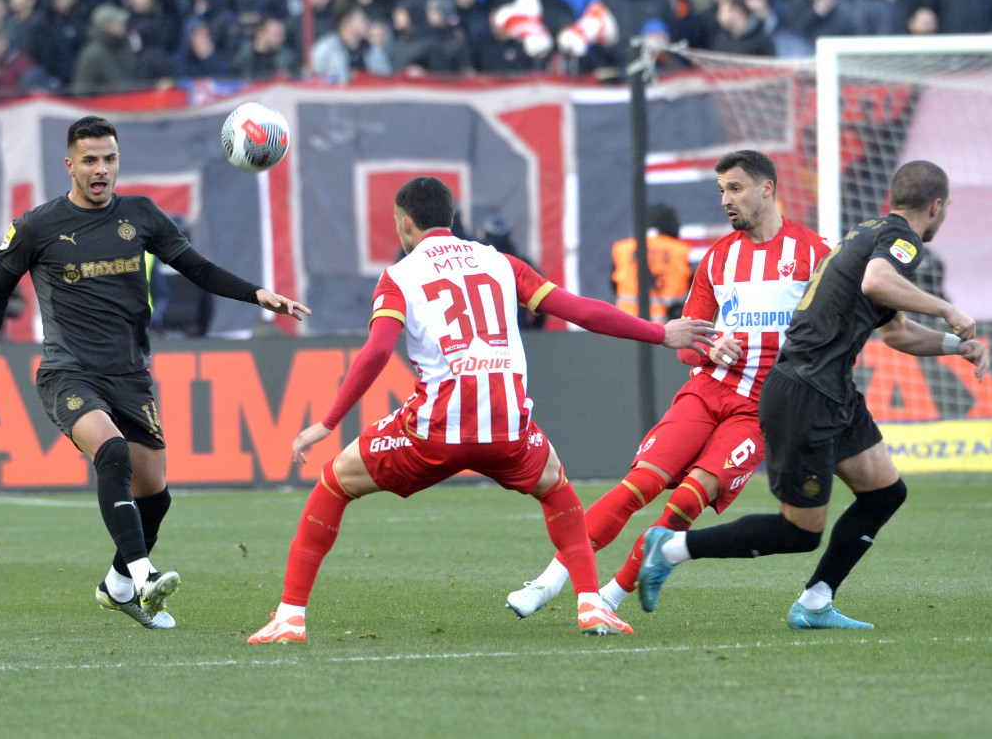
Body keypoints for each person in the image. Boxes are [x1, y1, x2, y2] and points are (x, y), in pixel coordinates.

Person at [246, 175, 717, 643]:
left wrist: (327, 422)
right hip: (508, 428)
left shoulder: (399, 276)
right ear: (451, 218)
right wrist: (661, 332)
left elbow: (376, 352)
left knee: (333, 483)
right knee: (557, 489)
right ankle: (591, 604)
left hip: (434, 430)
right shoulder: (501, 262)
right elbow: (581, 311)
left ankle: (290, 616)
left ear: (404, 224)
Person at [0, 116, 310, 630]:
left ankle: (116, 586)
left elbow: (197, 268)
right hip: (69, 372)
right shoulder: (37, 227)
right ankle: (143, 576)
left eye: (109, 159)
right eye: (90, 160)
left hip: (131, 375)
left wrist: (257, 294)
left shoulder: (141, 214)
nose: (101, 169)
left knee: (155, 495)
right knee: (111, 452)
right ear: (69, 165)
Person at [637, 160, 990, 629]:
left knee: (884, 494)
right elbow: (877, 282)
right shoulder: (901, 240)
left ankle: (816, 602)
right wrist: (948, 309)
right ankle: (672, 547)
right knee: (799, 532)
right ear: (937, 206)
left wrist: (955, 345)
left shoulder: (867, 234)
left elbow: (898, 333)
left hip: (831, 388)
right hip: (806, 391)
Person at [506, 150, 830, 618]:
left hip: (761, 407)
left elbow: (833, 331)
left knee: (686, 501)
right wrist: (710, 346)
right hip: (707, 392)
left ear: (767, 188)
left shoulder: (815, 254)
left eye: (735, 188)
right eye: (721, 190)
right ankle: (547, 582)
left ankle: (610, 599)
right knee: (638, 484)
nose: (725, 200)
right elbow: (686, 344)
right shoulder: (718, 259)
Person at [611, 202, 693, 323]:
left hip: (628, 326)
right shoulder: (680, 250)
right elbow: (693, 284)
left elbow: (614, 285)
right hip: (668, 328)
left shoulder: (622, 249)